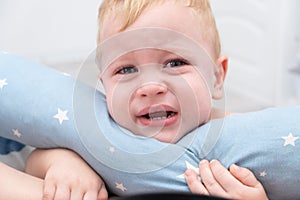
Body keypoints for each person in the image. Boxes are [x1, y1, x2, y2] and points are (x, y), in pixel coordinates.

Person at [25, 0, 268, 199]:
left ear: (216, 78)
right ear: (105, 86)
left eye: (175, 63)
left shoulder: (239, 138)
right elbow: (34, 159)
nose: (150, 87)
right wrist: (64, 163)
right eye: (126, 70)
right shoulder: (104, 132)